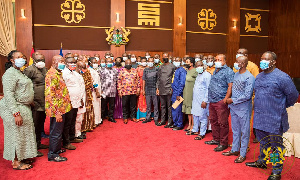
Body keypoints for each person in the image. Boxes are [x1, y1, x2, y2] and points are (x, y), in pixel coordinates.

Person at [245, 51, 299, 180]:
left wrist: (280, 105)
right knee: (263, 143)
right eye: (262, 58)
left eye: (266, 59)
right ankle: (262, 162)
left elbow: (294, 96)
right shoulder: (259, 77)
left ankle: (276, 170)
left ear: (273, 61)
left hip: (275, 118)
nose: (262, 61)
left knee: (275, 147)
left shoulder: (282, 77)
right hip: (259, 117)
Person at [0, 50, 37, 169]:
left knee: (23, 134)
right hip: (14, 108)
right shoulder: (9, 74)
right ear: (12, 60)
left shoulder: (19, 72)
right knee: (16, 134)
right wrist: (16, 114)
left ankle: (22, 156)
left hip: (23, 106)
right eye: (18, 57)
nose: (22, 59)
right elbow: (9, 95)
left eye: (22, 57)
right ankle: (16, 162)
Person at [222, 56, 255, 163]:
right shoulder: (235, 74)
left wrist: (232, 100)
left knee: (244, 132)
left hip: (243, 108)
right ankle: (235, 149)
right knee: (235, 130)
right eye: (236, 61)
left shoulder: (249, 77)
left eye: (238, 62)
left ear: (244, 64)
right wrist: (228, 99)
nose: (236, 63)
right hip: (234, 108)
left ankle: (243, 153)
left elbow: (247, 95)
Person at [205, 54, 234, 152]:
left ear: (224, 61)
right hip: (212, 100)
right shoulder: (215, 70)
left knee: (223, 123)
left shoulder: (228, 71)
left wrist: (225, 99)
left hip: (221, 101)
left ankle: (223, 143)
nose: (217, 61)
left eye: (219, 60)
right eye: (216, 59)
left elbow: (230, 86)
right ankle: (216, 139)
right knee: (213, 121)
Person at [45, 55, 71, 162]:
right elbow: (50, 96)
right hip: (57, 110)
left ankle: (57, 149)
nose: (63, 63)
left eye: (64, 61)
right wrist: (57, 113)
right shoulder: (52, 75)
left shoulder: (58, 73)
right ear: (54, 62)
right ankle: (53, 154)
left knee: (58, 130)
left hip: (62, 108)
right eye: (61, 61)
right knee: (56, 132)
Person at [23, 52, 48, 155]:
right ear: (33, 60)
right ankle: (32, 148)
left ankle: (38, 144)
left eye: (42, 60)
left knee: (40, 124)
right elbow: (23, 86)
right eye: (38, 60)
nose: (40, 62)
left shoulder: (44, 69)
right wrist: (30, 100)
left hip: (44, 102)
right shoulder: (29, 70)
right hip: (35, 102)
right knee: (34, 125)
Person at [233, 48, 260, 143]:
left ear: (246, 56)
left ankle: (245, 146)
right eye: (238, 53)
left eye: (241, 53)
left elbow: (256, 82)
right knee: (236, 124)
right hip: (236, 100)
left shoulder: (253, 67)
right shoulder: (236, 66)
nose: (239, 54)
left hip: (247, 99)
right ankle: (237, 144)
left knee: (245, 124)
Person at [62, 57, 85, 149]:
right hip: (69, 102)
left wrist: (81, 99)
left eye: (74, 62)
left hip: (76, 101)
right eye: (71, 62)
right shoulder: (64, 73)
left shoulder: (74, 73)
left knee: (72, 120)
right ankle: (66, 142)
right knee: (67, 122)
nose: (73, 64)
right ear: (66, 63)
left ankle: (72, 137)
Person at [189, 61, 211, 140]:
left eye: (201, 65)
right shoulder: (198, 75)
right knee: (195, 115)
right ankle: (195, 129)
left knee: (203, 117)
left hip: (202, 100)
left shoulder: (207, 75)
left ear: (203, 66)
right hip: (196, 99)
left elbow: (208, 89)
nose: (199, 67)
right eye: (198, 66)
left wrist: (205, 100)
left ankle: (202, 133)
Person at [117, 59, 141, 124]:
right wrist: (119, 90)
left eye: (129, 63)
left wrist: (138, 89)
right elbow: (119, 81)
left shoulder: (134, 71)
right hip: (124, 91)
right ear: (125, 64)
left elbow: (138, 80)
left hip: (133, 91)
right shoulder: (122, 71)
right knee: (125, 105)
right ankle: (125, 117)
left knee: (133, 105)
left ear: (131, 64)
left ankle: (133, 117)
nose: (128, 65)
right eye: (127, 63)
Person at [156, 53, 176, 127]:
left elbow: (174, 78)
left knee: (169, 106)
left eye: (166, 57)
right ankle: (163, 120)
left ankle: (170, 121)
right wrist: (157, 88)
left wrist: (172, 88)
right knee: (163, 106)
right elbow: (158, 78)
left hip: (169, 88)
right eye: (164, 57)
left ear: (169, 57)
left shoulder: (172, 66)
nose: (165, 58)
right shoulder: (160, 67)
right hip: (161, 88)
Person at [99, 58, 118, 123]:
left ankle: (111, 117)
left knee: (112, 105)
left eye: (110, 62)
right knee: (103, 106)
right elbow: (99, 80)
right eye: (108, 62)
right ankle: (101, 118)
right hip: (104, 91)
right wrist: (100, 90)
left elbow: (116, 79)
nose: (109, 63)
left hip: (112, 91)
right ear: (105, 62)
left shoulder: (115, 70)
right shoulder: (101, 70)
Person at [171, 57, 187, 130]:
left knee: (178, 109)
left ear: (181, 62)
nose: (176, 62)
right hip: (174, 92)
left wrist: (178, 93)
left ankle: (179, 124)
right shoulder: (176, 70)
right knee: (174, 108)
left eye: (177, 60)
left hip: (178, 93)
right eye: (175, 60)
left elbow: (182, 83)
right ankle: (175, 123)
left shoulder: (182, 70)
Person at [182, 57, 198, 132]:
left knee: (192, 109)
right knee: (188, 109)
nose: (186, 63)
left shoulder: (195, 71)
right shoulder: (186, 71)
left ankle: (193, 125)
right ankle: (189, 124)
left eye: (187, 62)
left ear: (191, 63)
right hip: (186, 92)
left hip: (192, 92)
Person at [142, 57, 159, 124]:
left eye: (152, 61)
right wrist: (143, 89)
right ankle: (148, 118)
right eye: (149, 61)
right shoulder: (145, 70)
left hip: (154, 89)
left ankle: (156, 118)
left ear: (153, 62)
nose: (150, 62)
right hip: (147, 89)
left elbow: (158, 80)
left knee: (155, 105)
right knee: (148, 105)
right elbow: (144, 80)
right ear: (147, 62)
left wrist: (157, 89)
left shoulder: (156, 69)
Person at [74, 61, 87, 139]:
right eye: (82, 67)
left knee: (80, 117)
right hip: (78, 100)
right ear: (78, 67)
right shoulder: (75, 75)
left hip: (81, 99)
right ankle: (76, 134)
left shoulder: (79, 74)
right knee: (77, 118)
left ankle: (78, 132)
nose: (84, 69)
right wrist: (81, 100)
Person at [88, 57, 102, 126]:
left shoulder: (95, 70)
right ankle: (95, 121)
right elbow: (94, 82)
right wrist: (97, 91)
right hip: (94, 91)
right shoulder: (89, 71)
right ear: (90, 63)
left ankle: (98, 120)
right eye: (94, 62)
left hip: (98, 90)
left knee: (98, 105)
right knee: (95, 106)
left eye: (96, 62)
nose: (95, 64)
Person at [136, 57, 148, 121]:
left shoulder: (149, 68)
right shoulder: (138, 69)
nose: (143, 62)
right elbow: (136, 78)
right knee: (140, 100)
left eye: (145, 61)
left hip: (148, 86)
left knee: (147, 100)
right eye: (142, 61)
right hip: (140, 86)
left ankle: (148, 115)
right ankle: (140, 116)